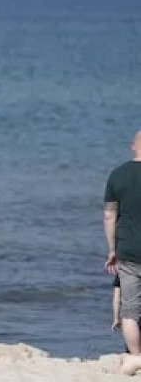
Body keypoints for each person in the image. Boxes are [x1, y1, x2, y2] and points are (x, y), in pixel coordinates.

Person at [106, 130, 141, 374]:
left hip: (128, 250)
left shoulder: (118, 175)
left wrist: (111, 250)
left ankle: (136, 356)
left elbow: (109, 214)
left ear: (133, 147)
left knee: (130, 309)